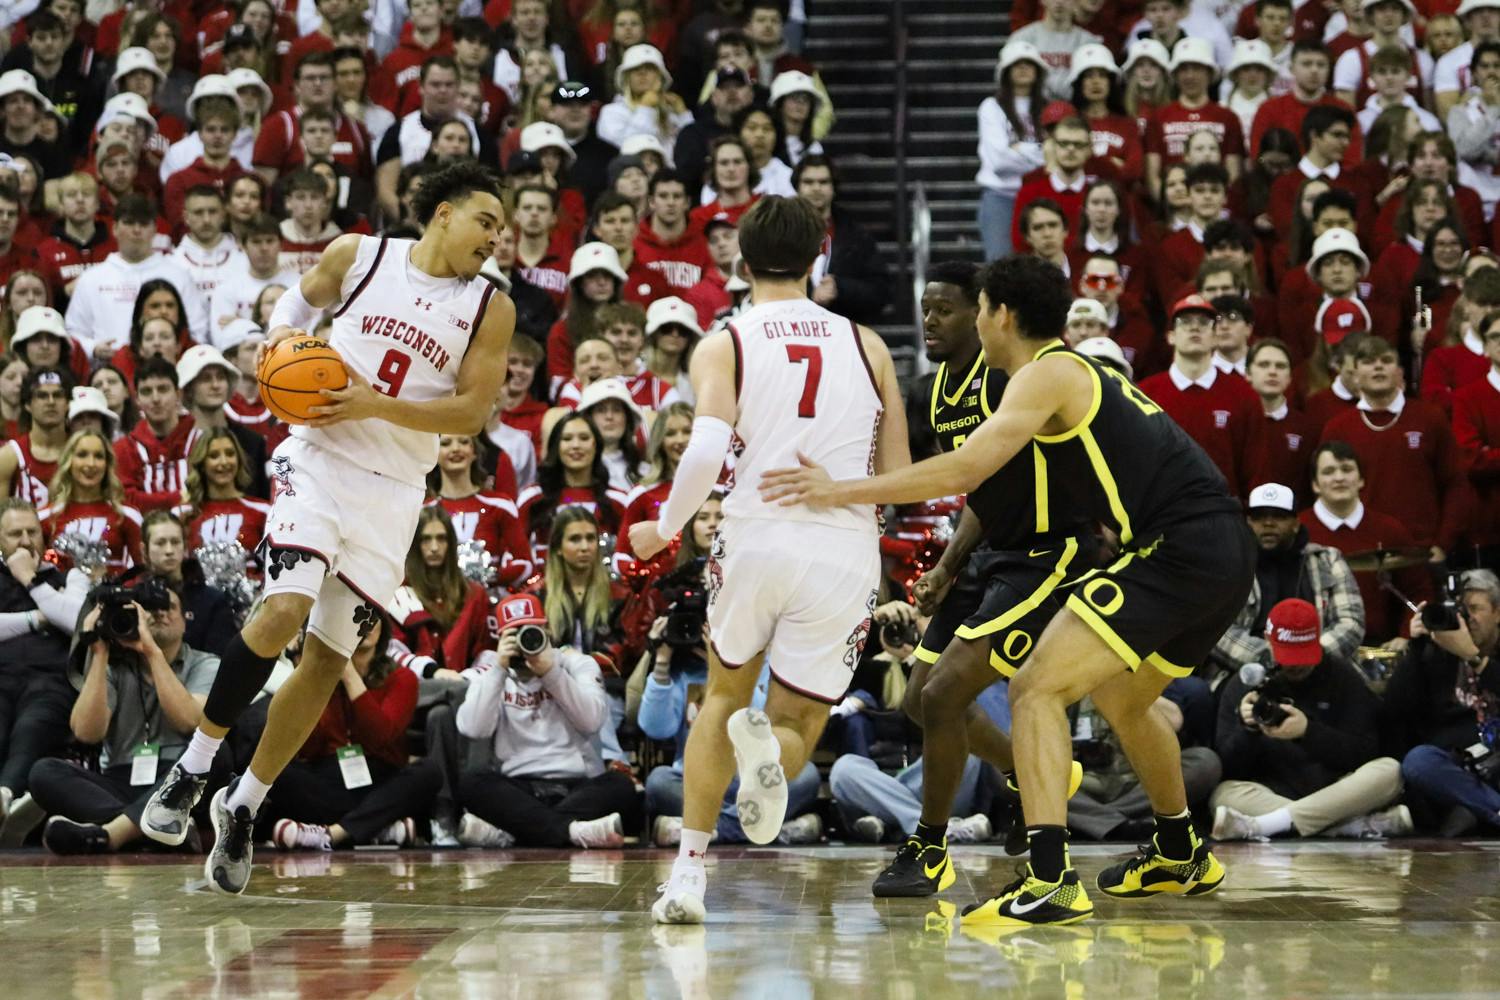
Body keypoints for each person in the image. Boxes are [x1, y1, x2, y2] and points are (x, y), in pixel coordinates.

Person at [759, 254, 1255, 927]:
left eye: (978, 307)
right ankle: (1179, 849)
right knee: (1122, 698)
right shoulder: (1061, 372)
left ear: (999, 314)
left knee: (1036, 688)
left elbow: (966, 467)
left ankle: (1051, 880)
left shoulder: (1047, 372)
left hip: (1178, 546)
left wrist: (836, 491)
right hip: (1215, 548)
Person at [135, 161, 514, 897]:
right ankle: (193, 768)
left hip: (396, 487)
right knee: (284, 608)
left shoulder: (488, 308)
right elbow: (287, 313)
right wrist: (281, 355)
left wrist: (375, 404)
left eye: (500, 229)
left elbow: (471, 413)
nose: (496, 239)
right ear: (442, 214)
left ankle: (241, 804)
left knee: (324, 657)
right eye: (486, 221)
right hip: (317, 458)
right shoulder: (359, 255)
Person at [629, 196, 907, 924]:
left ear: (740, 263)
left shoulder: (726, 341)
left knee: (723, 700)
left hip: (755, 534)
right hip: (845, 547)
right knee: (799, 726)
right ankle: (768, 757)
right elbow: (901, 470)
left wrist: (664, 526)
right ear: (820, 258)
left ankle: (688, 877)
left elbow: (707, 447)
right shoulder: (869, 345)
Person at [866, 258, 1092, 898]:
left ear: (987, 315)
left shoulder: (1013, 381)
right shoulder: (934, 390)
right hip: (990, 553)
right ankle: (1027, 775)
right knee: (917, 701)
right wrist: (946, 564)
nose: (930, 321)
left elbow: (980, 470)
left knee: (942, 698)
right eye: (926, 308)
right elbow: (979, 487)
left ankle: (931, 847)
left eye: (946, 309)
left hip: (1046, 555)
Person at [31, 580, 221, 854]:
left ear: (185, 621)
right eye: (150, 610)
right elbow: (87, 733)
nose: (159, 614)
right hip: (119, 779)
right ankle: (156, 829)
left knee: (215, 753)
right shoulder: (114, 666)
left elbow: (189, 721)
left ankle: (112, 833)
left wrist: (152, 653)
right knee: (43, 772)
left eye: (169, 607)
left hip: (177, 777)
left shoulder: (205, 663)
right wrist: (98, 653)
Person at [1210, 598, 1411, 841]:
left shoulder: (1342, 676)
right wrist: (1247, 729)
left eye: (1302, 655)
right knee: (1222, 794)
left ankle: (1269, 824)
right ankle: (1345, 826)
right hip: (1273, 792)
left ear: (1317, 639)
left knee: (1389, 771)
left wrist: (1308, 732)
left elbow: (1365, 751)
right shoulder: (1247, 682)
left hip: (1336, 789)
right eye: (1288, 656)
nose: (1295, 665)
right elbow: (1228, 767)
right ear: (1267, 640)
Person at [454, 592, 637, 848]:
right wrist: (499, 669)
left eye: (530, 630)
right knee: (472, 783)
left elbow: (591, 721)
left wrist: (551, 673)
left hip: (576, 785)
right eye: (514, 634)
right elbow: (473, 728)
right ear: (500, 638)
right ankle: (574, 832)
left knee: (620, 786)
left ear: (546, 630)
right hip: (519, 787)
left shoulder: (577, 664)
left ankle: (514, 833)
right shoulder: (490, 670)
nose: (523, 641)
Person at [266, 613, 441, 851]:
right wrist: (310, 675)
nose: (365, 624)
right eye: (356, 615)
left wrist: (349, 676)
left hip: (381, 774)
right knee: (276, 774)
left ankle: (334, 833)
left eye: (372, 617)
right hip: (330, 777)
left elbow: (380, 737)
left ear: (383, 628)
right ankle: (377, 828)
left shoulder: (402, 678)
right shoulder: (321, 678)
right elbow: (309, 748)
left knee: (429, 772)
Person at [1386, 570, 1500, 834]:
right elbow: (1395, 709)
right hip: (1459, 767)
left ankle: (1478, 810)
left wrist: (1472, 657)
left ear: (1497, 612)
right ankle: (1488, 809)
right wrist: (1416, 648)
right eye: (1461, 609)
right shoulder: (1439, 652)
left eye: (1475, 608)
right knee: (1418, 761)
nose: (1467, 618)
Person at [1214, 482, 1365, 670]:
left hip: (1321, 666)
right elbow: (1216, 628)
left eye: (1279, 516)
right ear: (1248, 522)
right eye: (1259, 516)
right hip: (1247, 668)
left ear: (1296, 524)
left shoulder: (1328, 560)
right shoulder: (1230, 565)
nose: (1268, 523)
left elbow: (1351, 622)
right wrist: (1268, 657)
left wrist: (1307, 656)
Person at [0, 498, 84, 832]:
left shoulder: (71, 577)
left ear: (44, 536)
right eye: (14, 534)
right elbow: (57, 615)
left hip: (51, 681)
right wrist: (38, 618)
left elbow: (77, 619)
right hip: (1, 677)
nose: (24, 541)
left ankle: (4, 796)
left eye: (31, 532)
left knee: (31, 726)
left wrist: (29, 578)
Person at [1138, 294, 1262, 499]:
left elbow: (1255, 468)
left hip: (1223, 514)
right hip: (1162, 514)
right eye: (1185, 322)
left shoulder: (1243, 395)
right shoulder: (1145, 394)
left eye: (1204, 323)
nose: (1195, 328)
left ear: (1214, 336)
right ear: (1170, 336)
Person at [0, 364, 71, 506]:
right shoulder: (8, 457)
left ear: (68, 403)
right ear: (27, 404)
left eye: (57, 395)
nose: (51, 402)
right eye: (42, 395)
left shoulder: (83, 451)